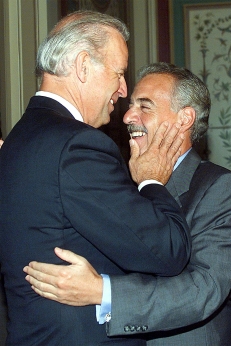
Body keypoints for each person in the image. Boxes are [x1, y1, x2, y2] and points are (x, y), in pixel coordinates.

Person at [0, 12, 191, 346]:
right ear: (83, 65)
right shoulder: (77, 144)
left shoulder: (17, 139)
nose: (122, 89)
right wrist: (151, 181)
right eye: (118, 73)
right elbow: (167, 250)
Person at [24, 62, 231, 345]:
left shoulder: (219, 187)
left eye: (144, 107)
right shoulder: (120, 182)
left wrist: (102, 292)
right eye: (131, 105)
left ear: (184, 119)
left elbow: (202, 291)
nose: (128, 116)